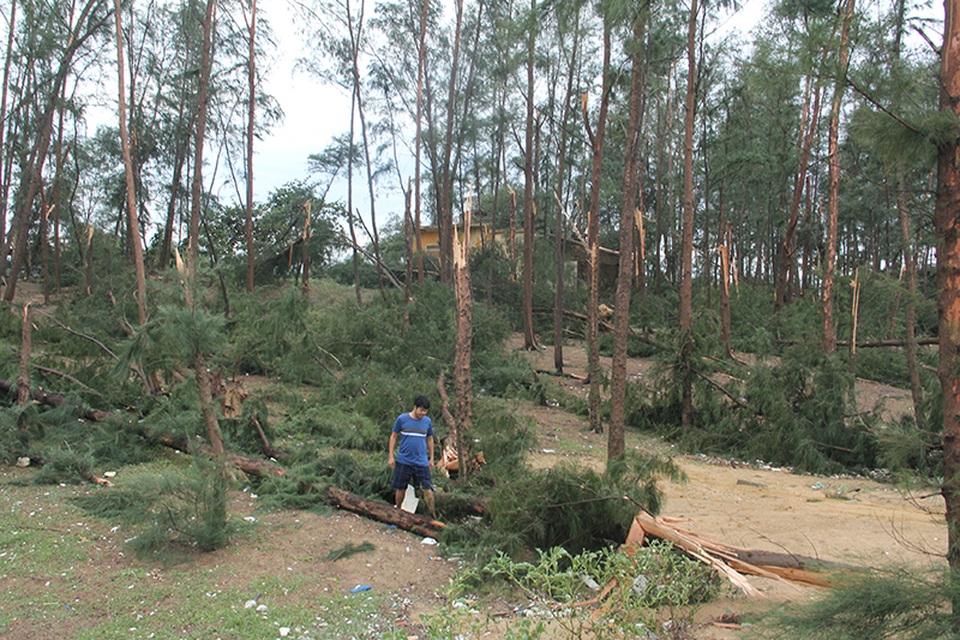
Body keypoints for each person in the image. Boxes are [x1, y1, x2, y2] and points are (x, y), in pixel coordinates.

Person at [387, 395, 436, 516]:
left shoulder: (427, 422)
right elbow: (393, 436)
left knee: (427, 488)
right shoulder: (402, 419)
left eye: (425, 411)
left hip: (421, 461)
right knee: (400, 487)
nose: (423, 413)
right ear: (415, 407)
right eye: (421, 410)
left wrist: (432, 458)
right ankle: (398, 511)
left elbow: (430, 439)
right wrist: (391, 456)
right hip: (404, 460)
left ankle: (433, 515)